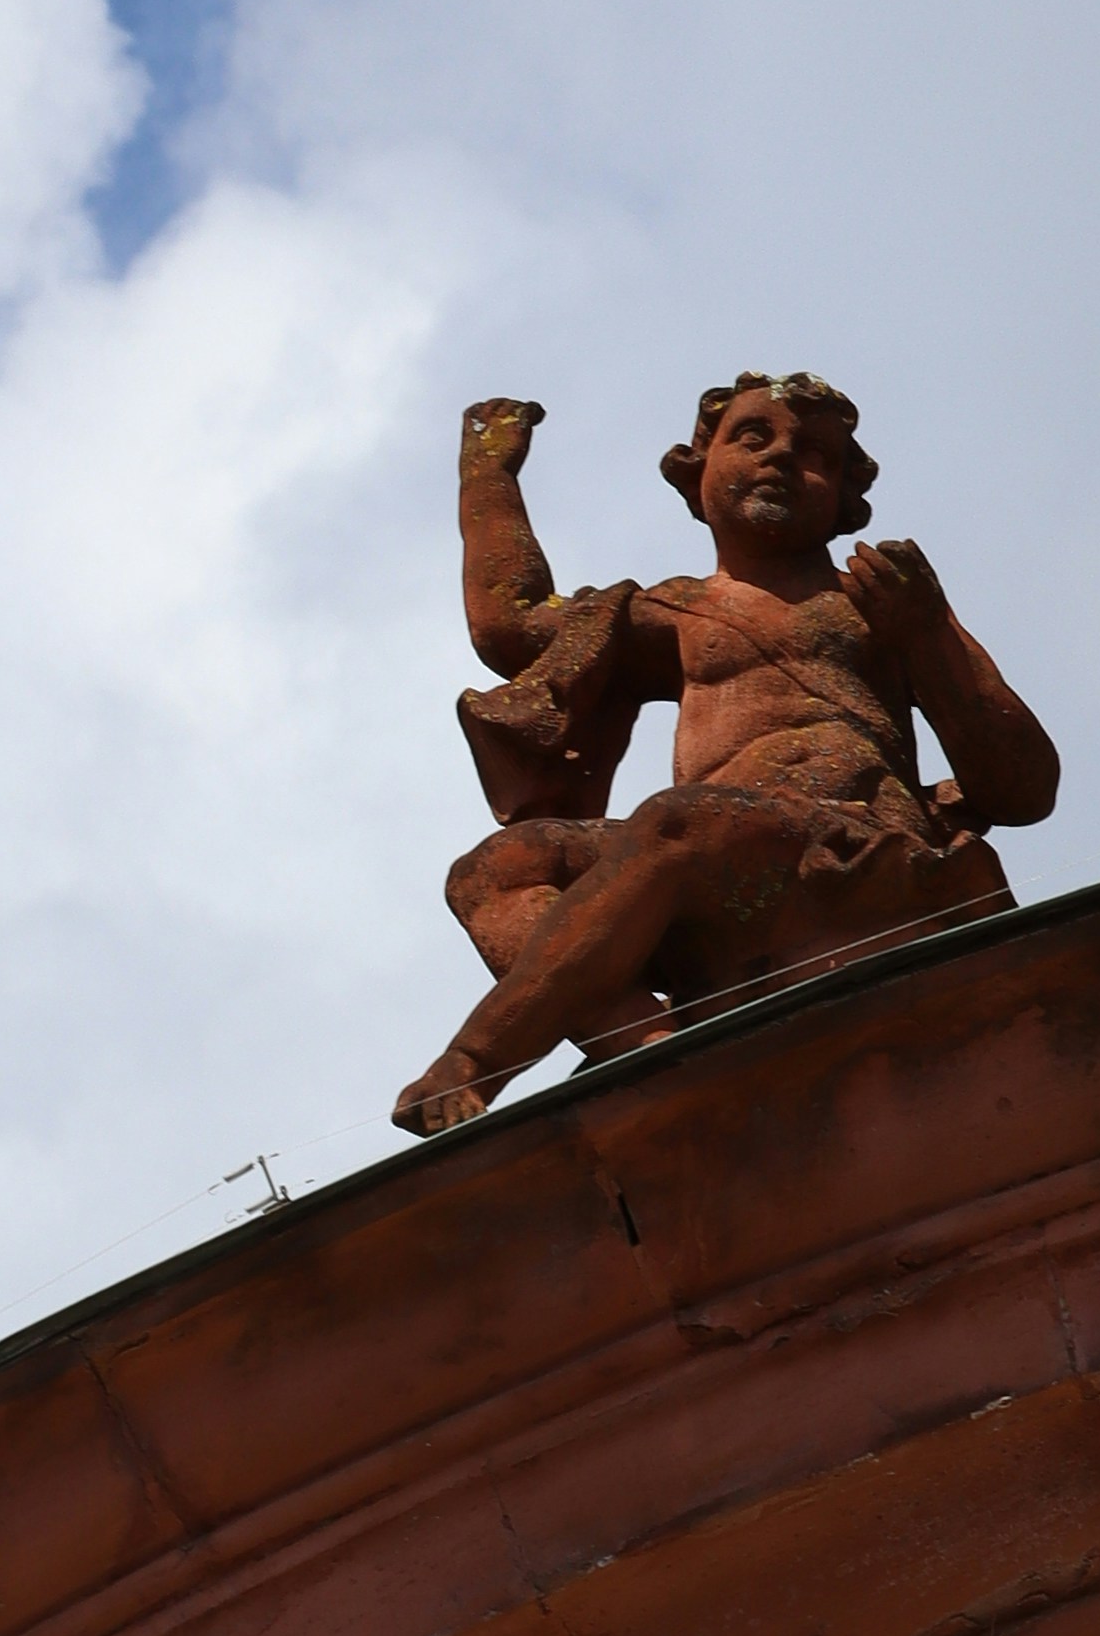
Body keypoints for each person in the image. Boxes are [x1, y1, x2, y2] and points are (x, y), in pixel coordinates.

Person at [392, 376, 1061, 1132]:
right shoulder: (669, 609)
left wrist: (929, 630)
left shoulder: (874, 606)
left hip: (850, 846)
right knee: (495, 869)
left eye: (814, 454)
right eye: (754, 436)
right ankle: (648, 1045)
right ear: (695, 467)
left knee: (679, 823)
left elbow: (1022, 789)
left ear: (843, 494)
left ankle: (475, 1060)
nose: (781, 457)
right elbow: (508, 628)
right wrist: (488, 476)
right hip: (709, 858)